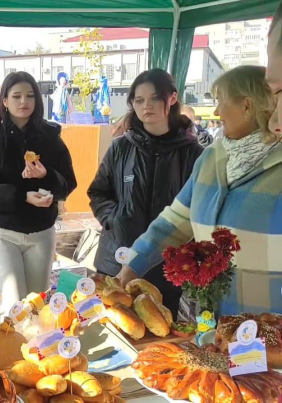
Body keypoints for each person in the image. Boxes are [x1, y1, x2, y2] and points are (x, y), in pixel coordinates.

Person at [116, 64, 281, 316]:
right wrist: (133, 265)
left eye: (221, 102)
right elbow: (175, 220)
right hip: (204, 316)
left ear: (247, 106)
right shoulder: (212, 157)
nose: (216, 111)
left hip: (267, 325)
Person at [88, 69, 203, 318]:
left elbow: (198, 209)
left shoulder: (193, 154)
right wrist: (114, 218)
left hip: (168, 269)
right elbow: (98, 192)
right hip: (115, 260)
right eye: (139, 100)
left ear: (171, 98)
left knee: (160, 342)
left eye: (154, 98)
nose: (146, 106)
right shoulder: (120, 147)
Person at [0, 71, 77, 312]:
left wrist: (47, 176)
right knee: (12, 306)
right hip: (3, 233)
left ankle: (35, 350)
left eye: (30, 96)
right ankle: (11, 349)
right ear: (5, 101)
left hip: (41, 233)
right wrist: (21, 196)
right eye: (16, 96)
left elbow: (69, 184)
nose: (24, 102)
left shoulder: (52, 139)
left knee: (37, 304)